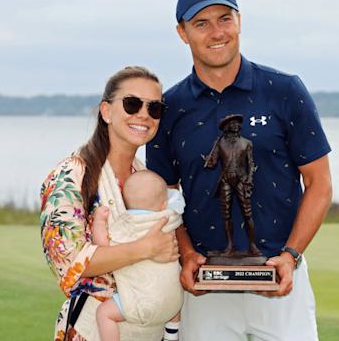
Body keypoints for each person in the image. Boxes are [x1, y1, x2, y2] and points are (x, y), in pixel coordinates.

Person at [146, 0, 333, 340]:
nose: (216, 32)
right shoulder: (169, 109)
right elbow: (164, 197)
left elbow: (319, 183)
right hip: (205, 290)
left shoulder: (285, 90)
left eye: (225, 19)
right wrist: (186, 255)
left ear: (240, 22)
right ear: (182, 32)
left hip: (280, 281)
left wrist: (291, 255)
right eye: (201, 23)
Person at [40, 66, 181, 341]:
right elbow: (69, 261)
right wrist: (145, 248)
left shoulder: (146, 180)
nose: (143, 114)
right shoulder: (72, 176)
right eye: (131, 104)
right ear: (106, 112)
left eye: (155, 108)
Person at [92, 169, 184, 341]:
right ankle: (172, 334)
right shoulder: (170, 220)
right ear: (164, 205)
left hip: (142, 304)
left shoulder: (125, 225)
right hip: (173, 303)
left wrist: (99, 222)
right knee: (170, 288)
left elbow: (103, 247)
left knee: (104, 314)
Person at [203, 114, 260, 257]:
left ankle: (252, 246)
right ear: (227, 127)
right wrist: (209, 161)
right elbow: (214, 163)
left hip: (241, 181)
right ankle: (230, 246)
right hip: (226, 181)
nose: (234, 125)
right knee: (226, 215)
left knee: (247, 214)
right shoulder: (220, 143)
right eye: (231, 123)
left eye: (236, 123)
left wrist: (249, 178)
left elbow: (251, 164)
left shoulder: (247, 143)